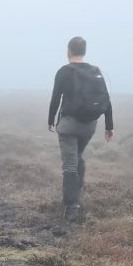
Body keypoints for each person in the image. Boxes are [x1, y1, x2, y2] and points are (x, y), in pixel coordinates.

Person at [48, 36, 114, 221]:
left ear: (68, 51)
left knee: (70, 165)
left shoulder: (64, 71)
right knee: (77, 158)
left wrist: (51, 120)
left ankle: (71, 207)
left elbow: (55, 99)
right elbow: (106, 99)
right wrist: (109, 126)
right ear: (83, 52)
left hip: (69, 125)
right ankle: (75, 194)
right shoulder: (95, 71)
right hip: (89, 126)